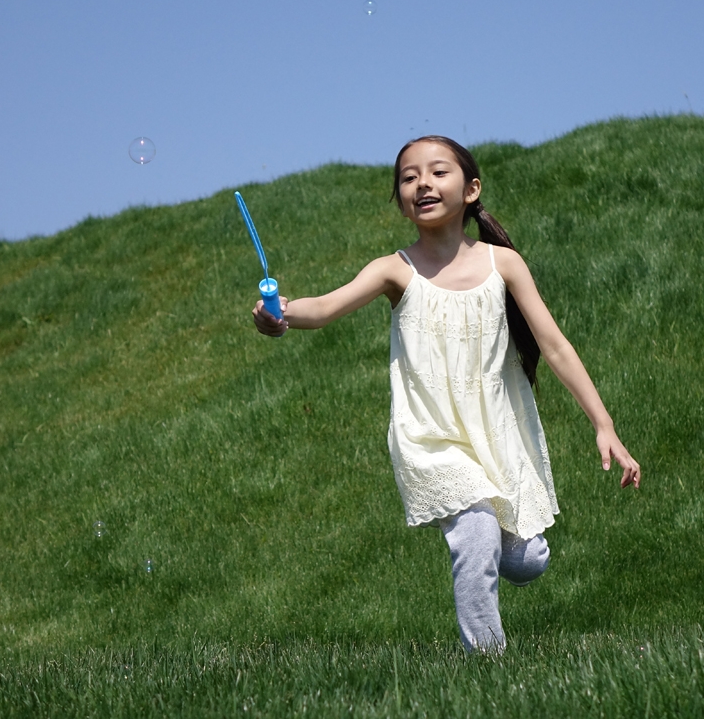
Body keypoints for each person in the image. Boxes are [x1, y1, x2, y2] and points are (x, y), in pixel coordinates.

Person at [252, 136, 640, 653]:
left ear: (471, 189)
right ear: (400, 200)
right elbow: (323, 307)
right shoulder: (394, 269)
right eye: (409, 178)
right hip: (430, 437)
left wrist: (603, 424)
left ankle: (514, 552)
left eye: (437, 173)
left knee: (526, 561)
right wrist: (279, 317)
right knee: (476, 529)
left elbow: (555, 346)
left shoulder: (504, 264)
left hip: (493, 434)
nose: (423, 184)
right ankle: (488, 662)